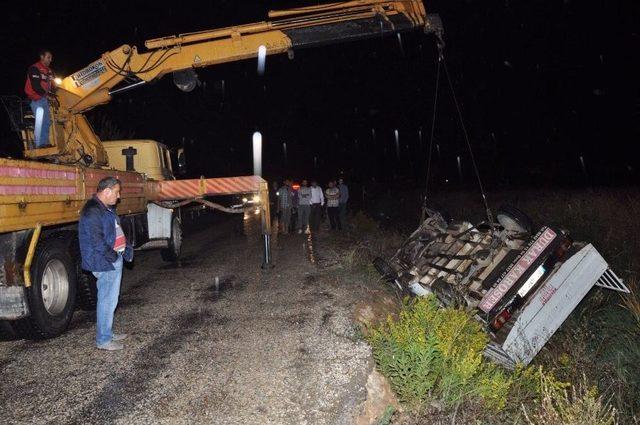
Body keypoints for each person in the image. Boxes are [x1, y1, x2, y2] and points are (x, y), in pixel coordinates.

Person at [78, 177, 133, 351]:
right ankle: (103, 340)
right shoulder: (93, 211)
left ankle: (107, 332)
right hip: (104, 262)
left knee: (111, 299)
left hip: (109, 259)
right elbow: (97, 241)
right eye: (116, 192)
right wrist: (114, 256)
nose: (118, 197)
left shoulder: (103, 208)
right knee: (107, 300)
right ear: (107, 191)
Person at [24, 49, 55, 148]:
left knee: (46, 121)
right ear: (42, 57)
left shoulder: (49, 71)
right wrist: (48, 94)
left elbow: (53, 85)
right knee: (40, 121)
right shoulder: (34, 68)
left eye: (51, 58)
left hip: (44, 99)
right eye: (48, 57)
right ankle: (39, 144)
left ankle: (44, 143)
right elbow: (36, 87)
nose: (50, 60)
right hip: (36, 99)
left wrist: (54, 94)